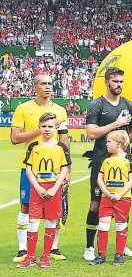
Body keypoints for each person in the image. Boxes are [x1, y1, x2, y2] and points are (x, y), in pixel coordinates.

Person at [84, 67, 132, 261]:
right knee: (96, 203)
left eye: (121, 82)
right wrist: (116, 125)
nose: (119, 85)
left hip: (123, 164)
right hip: (101, 161)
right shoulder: (96, 105)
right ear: (107, 82)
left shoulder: (129, 105)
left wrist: (121, 146)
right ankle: (90, 246)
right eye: (115, 81)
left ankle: (121, 247)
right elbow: (91, 133)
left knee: (123, 202)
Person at [11, 74, 69, 263]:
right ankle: (22, 250)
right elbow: (14, 138)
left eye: (50, 84)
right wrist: (43, 128)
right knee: (26, 206)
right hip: (30, 168)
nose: (48, 87)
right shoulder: (23, 108)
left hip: (55, 169)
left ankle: (53, 248)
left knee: (55, 207)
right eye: (43, 83)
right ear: (35, 87)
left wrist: (68, 170)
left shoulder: (61, 110)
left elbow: (64, 142)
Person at [16, 112, 71, 269]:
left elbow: (64, 169)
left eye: (50, 126)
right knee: (33, 222)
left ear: (56, 127)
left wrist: (54, 188)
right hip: (37, 189)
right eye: (44, 126)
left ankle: (45, 256)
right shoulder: (34, 147)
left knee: (51, 221)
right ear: (39, 127)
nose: (47, 129)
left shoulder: (61, 148)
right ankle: (31, 256)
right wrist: (38, 187)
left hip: (54, 189)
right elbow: (28, 169)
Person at [89, 130, 132, 266]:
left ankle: (119, 255)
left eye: (109, 142)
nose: (106, 144)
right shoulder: (106, 160)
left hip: (124, 198)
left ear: (119, 144)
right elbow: (100, 178)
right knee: (103, 226)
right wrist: (107, 192)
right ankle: (101, 255)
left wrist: (120, 194)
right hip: (106, 198)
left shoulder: (130, 160)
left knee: (121, 226)